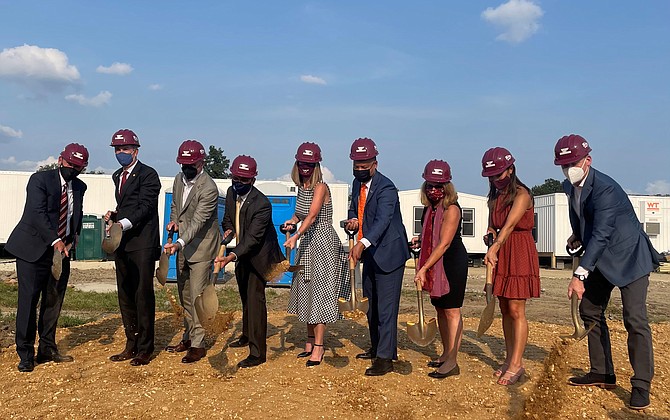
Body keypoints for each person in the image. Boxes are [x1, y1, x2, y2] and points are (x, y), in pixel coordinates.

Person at [554, 134, 658, 410]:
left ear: (587, 160)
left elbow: (602, 233)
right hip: (600, 257)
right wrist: (577, 234)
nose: (568, 169)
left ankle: (641, 385)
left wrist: (579, 275)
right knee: (590, 310)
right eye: (563, 164)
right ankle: (602, 371)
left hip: (629, 257)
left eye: (573, 162)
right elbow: (581, 216)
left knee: (634, 319)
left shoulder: (606, 189)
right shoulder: (568, 185)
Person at [6, 143, 89, 372]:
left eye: (79, 167)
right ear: (61, 160)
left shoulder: (80, 187)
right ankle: (25, 353)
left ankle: (47, 348)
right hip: (32, 251)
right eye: (71, 165)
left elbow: (75, 215)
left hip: (60, 254)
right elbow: (37, 214)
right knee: (28, 302)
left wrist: (74, 237)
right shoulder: (39, 180)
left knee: (53, 302)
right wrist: (56, 240)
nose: (74, 170)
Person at [345, 137, 410, 376]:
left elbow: (382, 221)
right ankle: (377, 347)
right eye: (356, 166)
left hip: (390, 254)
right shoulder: (356, 184)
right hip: (371, 254)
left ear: (375, 163)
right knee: (371, 307)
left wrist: (362, 242)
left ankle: (385, 359)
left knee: (386, 309)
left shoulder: (387, 188)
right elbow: (356, 209)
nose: (360, 170)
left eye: (364, 165)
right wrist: (353, 219)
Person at [283, 142, 351, 367]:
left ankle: (320, 347)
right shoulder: (302, 187)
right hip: (308, 242)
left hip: (322, 241)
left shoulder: (321, 186)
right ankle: (310, 341)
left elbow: (311, 216)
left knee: (320, 292)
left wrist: (295, 236)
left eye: (310, 164)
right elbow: (299, 214)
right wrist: (291, 222)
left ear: (316, 165)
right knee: (306, 288)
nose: (305, 167)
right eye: (302, 163)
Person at [217, 155, 285, 368]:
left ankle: (257, 352)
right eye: (235, 177)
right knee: (245, 297)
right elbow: (228, 218)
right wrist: (228, 230)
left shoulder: (262, 204)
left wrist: (231, 255)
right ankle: (246, 335)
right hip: (240, 252)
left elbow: (253, 239)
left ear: (253, 181)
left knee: (255, 301)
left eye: (243, 180)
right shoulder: (230, 193)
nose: (238, 183)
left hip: (258, 255)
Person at [481, 147, 540, 386]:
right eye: (491, 176)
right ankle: (508, 359)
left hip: (518, 251)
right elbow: (496, 226)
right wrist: (490, 234)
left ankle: (517, 364)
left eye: (499, 174)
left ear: (511, 169)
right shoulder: (494, 196)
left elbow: (509, 227)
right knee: (504, 308)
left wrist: (495, 245)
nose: (495, 179)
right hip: (501, 251)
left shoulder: (522, 194)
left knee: (516, 310)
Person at [104, 129, 161, 366]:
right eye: (117, 149)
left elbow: (146, 206)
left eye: (125, 149)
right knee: (125, 294)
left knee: (142, 294)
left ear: (135, 151)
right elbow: (128, 204)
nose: (120, 153)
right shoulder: (117, 175)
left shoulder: (148, 175)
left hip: (143, 243)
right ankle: (131, 342)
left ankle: (145, 347)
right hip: (123, 243)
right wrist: (114, 214)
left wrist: (123, 223)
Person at [163, 140, 222, 363]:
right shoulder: (179, 180)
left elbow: (198, 222)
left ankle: (198, 344)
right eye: (183, 164)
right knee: (184, 294)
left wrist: (179, 242)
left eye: (191, 164)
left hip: (201, 247)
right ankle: (188, 336)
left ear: (201, 162)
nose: (186, 168)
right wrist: (173, 223)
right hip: (182, 245)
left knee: (197, 296)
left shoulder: (209, 188)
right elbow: (176, 208)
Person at [413, 160, 468, 379]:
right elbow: (431, 237)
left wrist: (423, 268)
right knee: (440, 309)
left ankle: (453, 361)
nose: (434, 190)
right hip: (435, 263)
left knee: (452, 310)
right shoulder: (430, 209)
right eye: (430, 185)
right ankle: (445, 353)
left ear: (447, 186)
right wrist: (420, 240)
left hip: (451, 263)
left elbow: (444, 243)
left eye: (439, 186)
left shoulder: (451, 209)